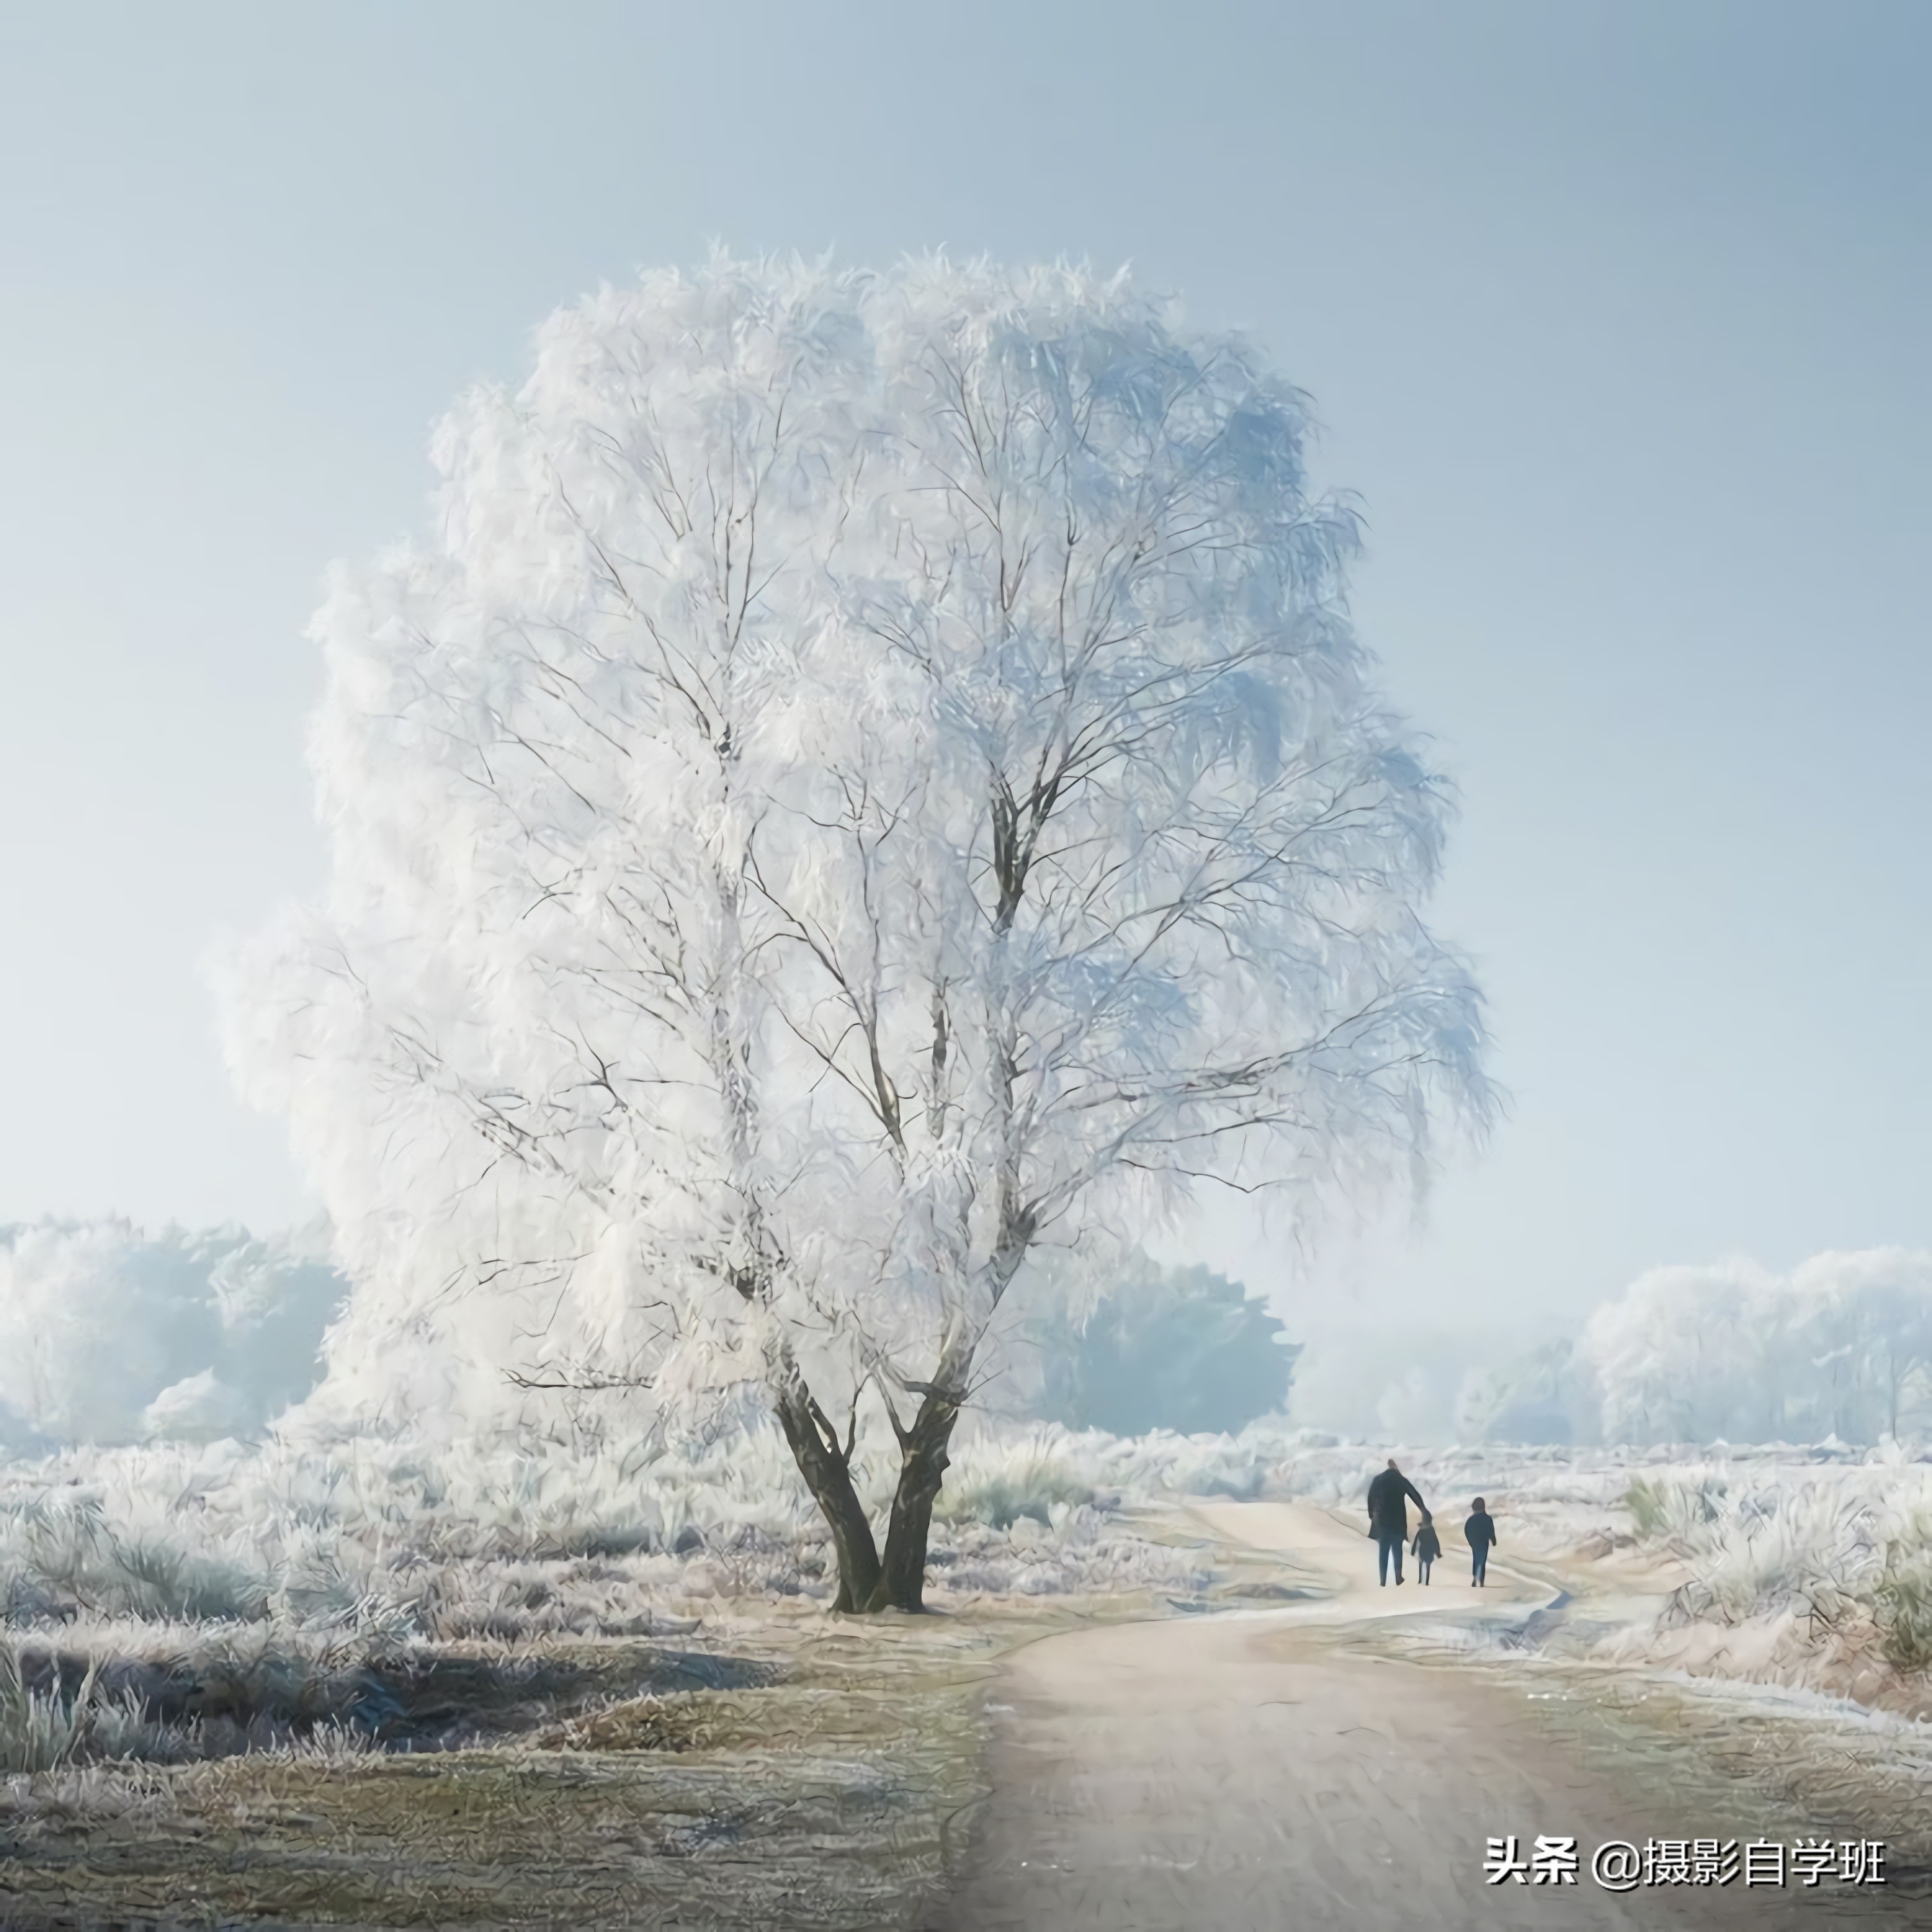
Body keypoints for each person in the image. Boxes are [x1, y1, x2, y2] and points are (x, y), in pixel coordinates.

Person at [1365, 1459, 1430, 1586]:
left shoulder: (1378, 1480)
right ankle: (1398, 1577)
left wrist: (1372, 1515)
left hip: (1381, 1521)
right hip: (1397, 1521)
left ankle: (1383, 1580)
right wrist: (1423, 1509)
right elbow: (1414, 1495)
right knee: (1397, 1549)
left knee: (1383, 1550)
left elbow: (1371, 1498)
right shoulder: (1400, 1479)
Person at [1465, 1497, 1498, 1587]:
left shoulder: (1471, 1519)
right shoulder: (1488, 1518)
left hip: (1475, 1543)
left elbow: (1467, 1530)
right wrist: (1493, 1540)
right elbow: (1491, 1531)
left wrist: (1470, 1541)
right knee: (1482, 1561)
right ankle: (1481, 1580)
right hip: (1484, 1542)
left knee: (1476, 1559)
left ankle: (1475, 1577)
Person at [1411, 1515, 1442, 1585]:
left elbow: (1416, 1541)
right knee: (1428, 1566)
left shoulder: (1421, 1530)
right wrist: (1438, 1553)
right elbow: (1435, 1542)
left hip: (1422, 1551)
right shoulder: (1431, 1530)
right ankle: (1427, 1582)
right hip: (1430, 1552)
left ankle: (1420, 1580)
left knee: (1421, 1564)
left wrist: (1413, 1551)